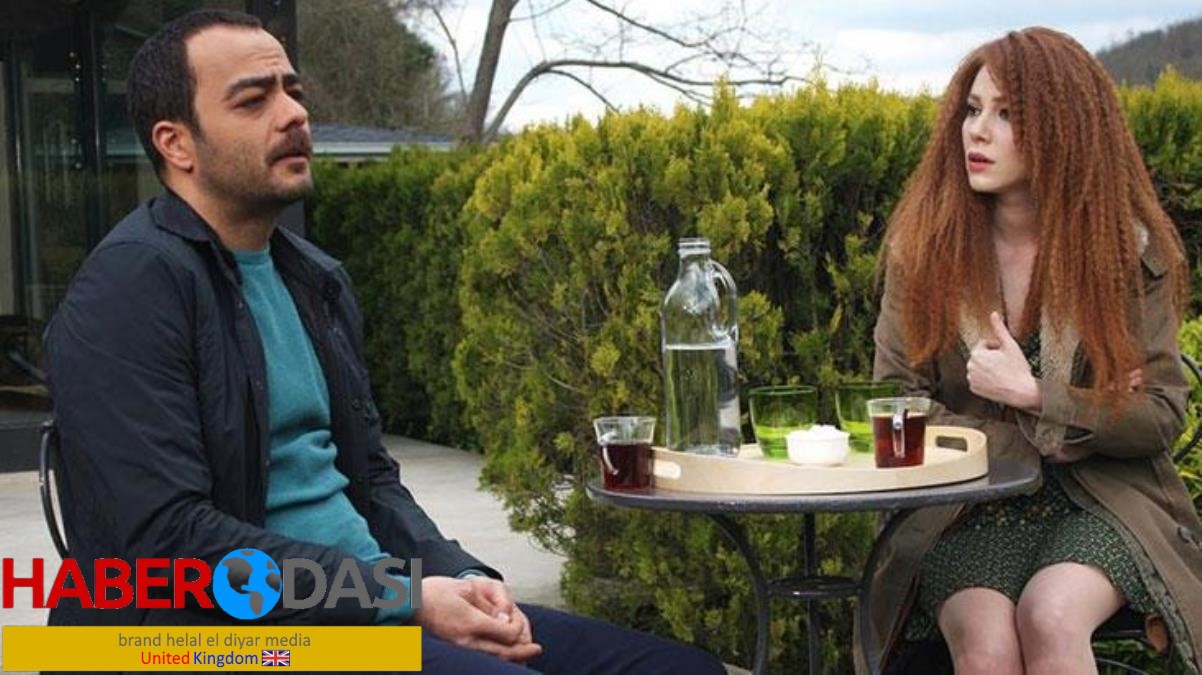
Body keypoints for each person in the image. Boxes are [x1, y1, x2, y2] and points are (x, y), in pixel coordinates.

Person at [42, 9, 725, 675]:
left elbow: (371, 480)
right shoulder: (131, 287)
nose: (293, 114)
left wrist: (461, 576)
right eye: (253, 100)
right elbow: (166, 545)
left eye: (292, 91)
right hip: (223, 636)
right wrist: (401, 594)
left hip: (369, 607)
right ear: (176, 144)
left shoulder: (313, 280)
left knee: (680, 667)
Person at [864, 27, 1202, 675]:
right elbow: (896, 407)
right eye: (972, 109)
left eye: (1007, 114)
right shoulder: (924, 254)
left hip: (1103, 497)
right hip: (966, 506)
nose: (977, 131)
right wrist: (1064, 427)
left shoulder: (1126, 254)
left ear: (1064, 129)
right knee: (986, 646)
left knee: (1051, 616)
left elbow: (1159, 414)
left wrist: (1033, 393)